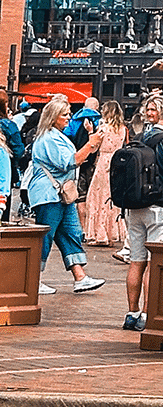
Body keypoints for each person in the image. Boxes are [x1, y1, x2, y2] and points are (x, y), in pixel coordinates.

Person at [121, 102, 163, 332]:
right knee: (154, 262)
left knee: (136, 261)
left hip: (134, 205)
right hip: (159, 207)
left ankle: (131, 313)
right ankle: (147, 314)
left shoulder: (141, 137)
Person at [27, 98, 104, 296]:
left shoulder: (55, 136)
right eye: (65, 114)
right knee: (46, 237)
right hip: (49, 194)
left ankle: (80, 277)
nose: (69, 117)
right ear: (53, 117)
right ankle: (33, 280)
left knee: (70, 232)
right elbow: (70, 161)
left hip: (60, 194)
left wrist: (91, 142)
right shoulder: (49, 139)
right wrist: (90, 143)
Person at [82, 101, 127, 249]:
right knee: (111, 199)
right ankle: (111, 233)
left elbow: (94, 147)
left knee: (97, 197)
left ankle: (99, 234)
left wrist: (90, 131)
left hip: (103, 163)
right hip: (116, 163)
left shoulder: (103, 128)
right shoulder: (123, 129)